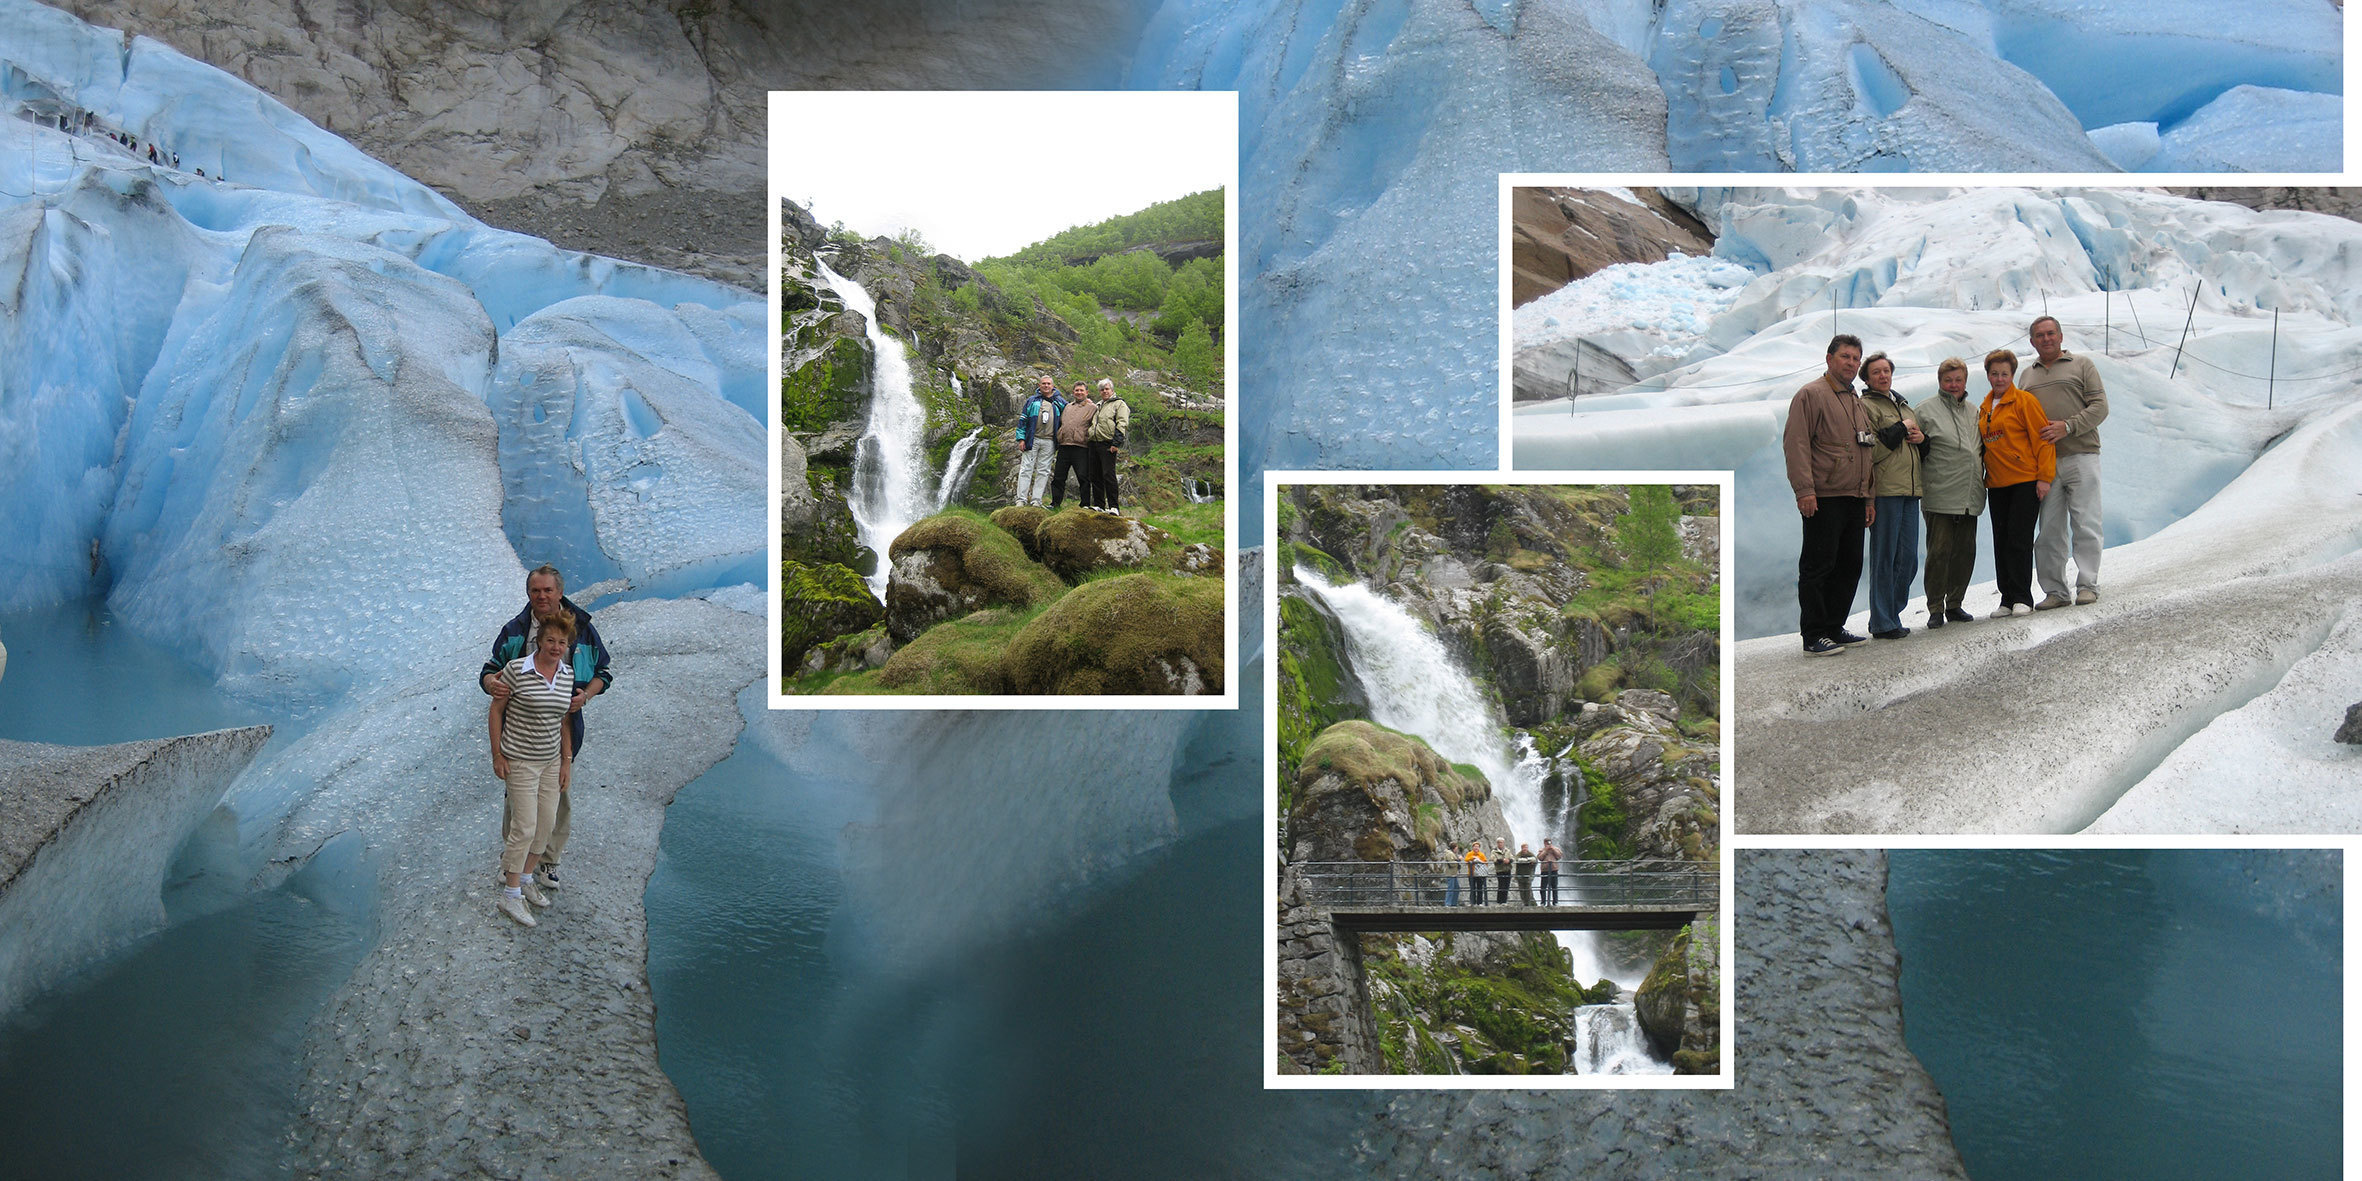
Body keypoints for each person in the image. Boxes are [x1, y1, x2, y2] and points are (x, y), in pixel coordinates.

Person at [480, 564, 613, 892]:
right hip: (520, 727)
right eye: (535, 591)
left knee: (557, 798)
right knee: (518, 798)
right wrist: (491, 685)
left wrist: (586, 695)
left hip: (562, 723)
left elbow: (604, 671)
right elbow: (491, 670)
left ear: (559, 592)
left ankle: (547, 862)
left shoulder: (581, 628)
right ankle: (514, 861)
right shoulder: (515, 630)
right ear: (529, 593)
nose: (541, 596)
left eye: (548, 590)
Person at [1783, 334, 1876, 656]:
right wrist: (1805, 491)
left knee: (1849, 565)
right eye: (1845, 357)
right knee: (1818, 566)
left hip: (1854, 495)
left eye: (1855, 358)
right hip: (1824, 495)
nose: (1851, 363)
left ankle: (1834, 626)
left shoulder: (1855, 400)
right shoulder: (1811, 395)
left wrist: (1869, 497)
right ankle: (1813, 634)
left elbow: (1866, 448)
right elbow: (1796, 444)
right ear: (1829, 358)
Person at [490, 613, 576, 927]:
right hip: (520, 761)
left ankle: (526, 877)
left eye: (562, 642)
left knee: (546, 825)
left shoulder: (566, 674)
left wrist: (566, 761)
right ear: (539, 641)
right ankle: (510, 894)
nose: (556, 647)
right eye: (551, 640)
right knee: (524, 826)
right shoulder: (516, 670)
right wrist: (497, 754)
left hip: (551, 761)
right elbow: (496, 710)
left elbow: (564, 720)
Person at [2021, 315, 2108, 608]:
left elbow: (2100, 407)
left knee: (2086, 522)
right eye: (2039, 335)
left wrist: (2067, 426)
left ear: (2060, 336)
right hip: (2044, 465)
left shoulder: (2082, 365)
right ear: (2032, 341)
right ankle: (2056, 591)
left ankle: (2088, 585)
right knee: (2049, 529)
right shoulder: (2026, 376)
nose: (2045, 339)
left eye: (2050, 334)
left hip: (2081, 454)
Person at [1978, 349, 2054, 617]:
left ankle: (2023, 596)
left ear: (2012, 375)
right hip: (1997, 485)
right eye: (1994, 374)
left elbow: (2043, 439)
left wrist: (2044, 478)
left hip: (2024, 481)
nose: (1999, 379)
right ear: (1988, 375)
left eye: (2004, 374)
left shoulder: (2024, 402)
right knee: (2002, 540)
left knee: (2019, 540)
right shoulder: (1985, 407)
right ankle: (2007, 598)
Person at [1915, 357, 1985, 628]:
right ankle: (1935, 607)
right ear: (1940, 381)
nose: (1953, 384)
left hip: (1969, 494)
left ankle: (1955, 604)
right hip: (1939, 493)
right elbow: (1915, 452)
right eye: (1948, 380)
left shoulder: (1974, 411)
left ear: (1965, 381)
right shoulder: (1925, 411)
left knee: (1964, 552)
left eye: (1958, 379)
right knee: (1939, 552)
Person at [1859, 353, 1924, 639]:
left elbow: (1915, 446)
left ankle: (1890, 614)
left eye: (1886, 371)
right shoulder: (1865, 406)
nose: (1883, 376)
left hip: (1910, 489)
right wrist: (1900, 429)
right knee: (1885, 557)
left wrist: (1922, 440)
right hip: (1885, 491)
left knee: (1908, 559)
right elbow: (1871, 451)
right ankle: (1883, 621)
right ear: (1867, 378)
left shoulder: (1904, 404)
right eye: (1876, 372)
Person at [1084, 377, 1131, 514]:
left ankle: (1114, 507)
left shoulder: (1119, 404)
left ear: (1112, 390)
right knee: (1095, 475)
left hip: (1108, 444)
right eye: (1102, 389)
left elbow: (1122, 423)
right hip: (1094, 443)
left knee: (1108, 475)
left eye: (1107, 389)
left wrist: (1116, 443)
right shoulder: (1099, 405)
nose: (1104, 391)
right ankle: (1099, 504)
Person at [1014, 376, 1063, 506]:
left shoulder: (1060, 402)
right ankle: (1021, 499)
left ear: (1053, 386)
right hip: (1032, 439)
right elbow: (1023, 420)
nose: (1046, 386)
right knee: (1026, 469)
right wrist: (1021, 439)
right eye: (1043, 384)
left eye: (1048, 384)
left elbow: (1071, 414)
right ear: (1039, 385)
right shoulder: (1031, 400)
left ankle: (1036, 500)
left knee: (1044, 471)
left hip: (1050, 441)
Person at [1048, 380, 1098, 510]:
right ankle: (1055, 503)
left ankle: (1085, 504)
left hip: (1081, 447)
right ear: (1073, 392)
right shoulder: (1068, 407)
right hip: (1064, 445)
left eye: (1082, 390)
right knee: (1058, 476)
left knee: (1083, 477)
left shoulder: (1093, 408)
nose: (1079, 392)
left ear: (1087, 392)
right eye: (1077, 390)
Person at [1464, 842, 1488, 906]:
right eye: (1475, 846)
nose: (1476, 848)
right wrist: (1473, 858)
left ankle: (1479, 902)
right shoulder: (1469, 854)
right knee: (1472, 888)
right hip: (1471, 874)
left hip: (1480, 874)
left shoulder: (1481, 854)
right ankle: (1472, 902)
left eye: (1477, 846)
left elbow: (1485, 862)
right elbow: (1466, 860)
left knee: (1480, 888)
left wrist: (1479, 860)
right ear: (1473, 847)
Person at [1539, 838, 1561, 905]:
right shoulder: (1542, 850)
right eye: (1546, 842)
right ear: (1544, 843)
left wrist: (1553, 849)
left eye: (1549, 842)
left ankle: (1555, 902)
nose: (1548, 844)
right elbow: (1540, 858)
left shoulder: (1556, 849)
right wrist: (1546, 850)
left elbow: (1559, 856)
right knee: (1543, 887)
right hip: (1545, 870)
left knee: (1554, 886)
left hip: (1554, 869)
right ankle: (1543, 902)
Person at [1492, 838, 1512, 904]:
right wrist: (1503, 860)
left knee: (1507, 886)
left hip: (1507, 870)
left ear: (1503, 843)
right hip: (1500, 870)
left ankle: (1504, 901)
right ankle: (1499, 901)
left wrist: (1509, 861)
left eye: (1501, 842)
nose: (1500, 844)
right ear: (1497, 843)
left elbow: (1512, 858)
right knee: (1501, 886)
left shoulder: (1507, 850)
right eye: (1499, 842)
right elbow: (1494, 859)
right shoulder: (1494, 851)